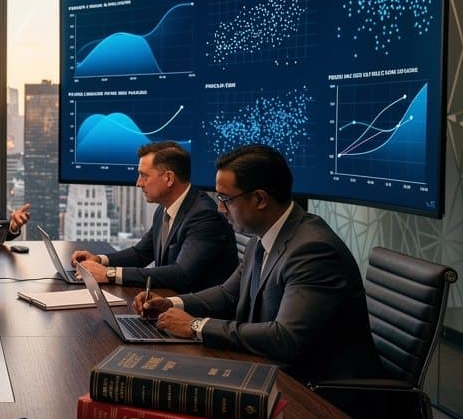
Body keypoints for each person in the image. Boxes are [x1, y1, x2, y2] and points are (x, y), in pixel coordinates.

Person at [136, 144, 382, 383]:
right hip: (269, 369)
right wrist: (170, 303)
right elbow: (227, 294)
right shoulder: (262, 237)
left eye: (225, 199)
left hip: (319, 395)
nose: (220, 209)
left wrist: (195, 326)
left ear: (260, 199)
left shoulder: (313, 251)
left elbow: (284, 338)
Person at [70, 141, 237, 292]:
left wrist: (110, 274)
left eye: (144, 175)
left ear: (169, 178)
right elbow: (141, 253)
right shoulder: (164, 209)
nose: (138, 183)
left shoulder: (204, 216)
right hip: (167, 304)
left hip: (195, 314)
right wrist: (100, 260)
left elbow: (181, 274)